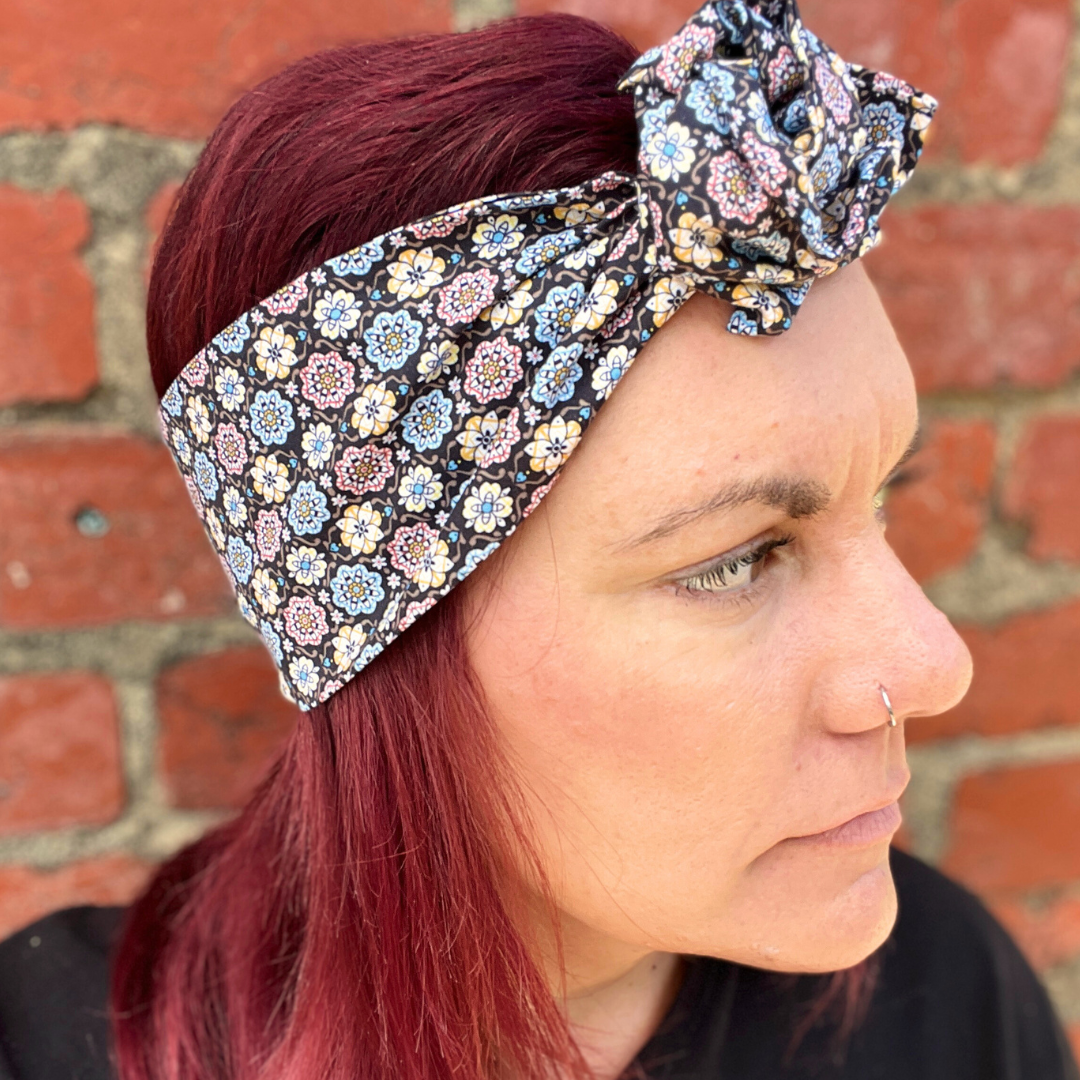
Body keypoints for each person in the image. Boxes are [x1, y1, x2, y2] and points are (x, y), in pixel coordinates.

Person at [1, 3, 1077, 1079]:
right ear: (378, 636)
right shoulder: (42, 1047)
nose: (936, 666)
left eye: (882, 498)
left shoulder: (949, 1001)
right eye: (736, 559)